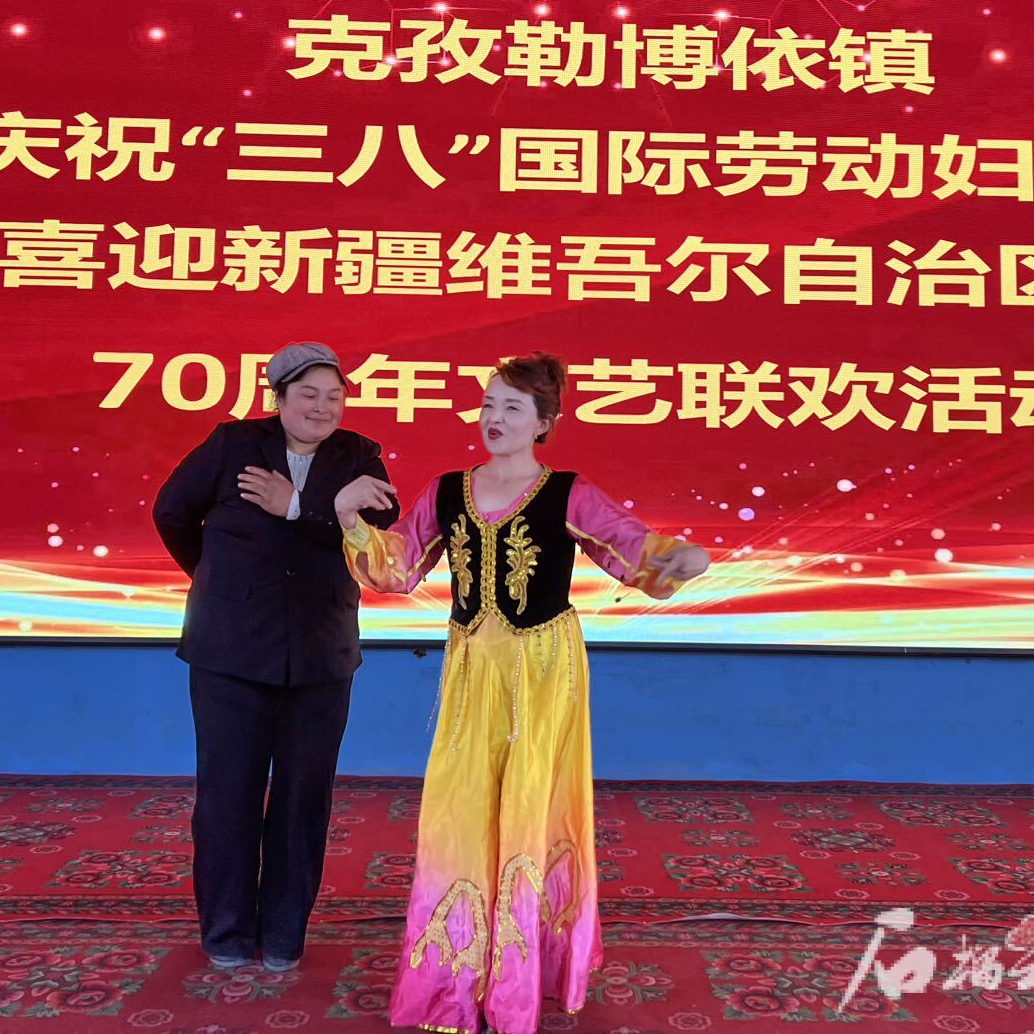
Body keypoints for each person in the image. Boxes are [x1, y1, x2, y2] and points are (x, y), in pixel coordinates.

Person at [332, 352, 710, 1034]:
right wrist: (352, 521)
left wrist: (674, 559)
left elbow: (628, 547)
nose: (494, 418)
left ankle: (522, 977)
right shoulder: (448, 490)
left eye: (512, 407)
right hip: (472, 669)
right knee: (459, 806)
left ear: (543, 422)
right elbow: (398, 567)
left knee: (534, 804)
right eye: (488, 404)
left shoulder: (567, 491)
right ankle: (453, 978)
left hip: (542, 671)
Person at [152, 341, 401, 972]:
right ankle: (227, 932)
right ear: (279, 398)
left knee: (303, 798)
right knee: (226, 795)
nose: (323, 407)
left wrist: (298, 507)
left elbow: (379, 532)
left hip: (321, 653)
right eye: (308, 394)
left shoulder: (358, 457)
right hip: (229, 650)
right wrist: (216, 579)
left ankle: (286, 932)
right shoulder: (233, 444)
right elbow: (172, 512)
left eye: (334, 396)